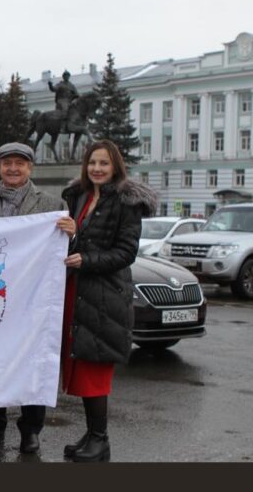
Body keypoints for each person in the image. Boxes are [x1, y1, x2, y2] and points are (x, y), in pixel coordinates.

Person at [0, 142, 74, 454]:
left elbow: (61, 248)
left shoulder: (53, 203)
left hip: (32, 299)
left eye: (20, 163)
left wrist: (72, 232)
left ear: (30, 168)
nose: (13, 168)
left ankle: (31, 430)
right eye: (7, 162)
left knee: (32, 362)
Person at [60, 140, 156, 462]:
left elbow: (126, 253)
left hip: (105, 298)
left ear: (115, 166)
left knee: (94, 370)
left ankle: (101, 440)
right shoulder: (80, 197)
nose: (97, 169)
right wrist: (72, 236)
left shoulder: (126, 203)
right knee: (81, 365)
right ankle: (92, 435)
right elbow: (77, 241)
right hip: (80, 293)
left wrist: (86, 260)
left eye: (103, 163)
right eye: (92, 163)